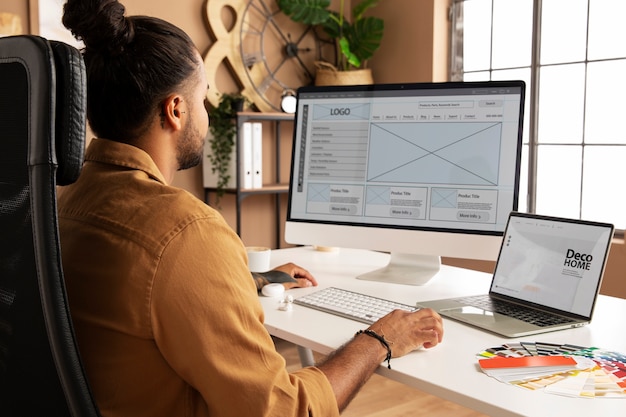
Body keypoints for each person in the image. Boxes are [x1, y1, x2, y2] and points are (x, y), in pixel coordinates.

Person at [57, 1, 445, 416]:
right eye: (203, 98)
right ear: (175, 110)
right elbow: (288, 411)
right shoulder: (187, 232)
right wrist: (381, 337)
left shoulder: (68, 198)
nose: (205, 114)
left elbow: (142, 292)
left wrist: (245, 279)